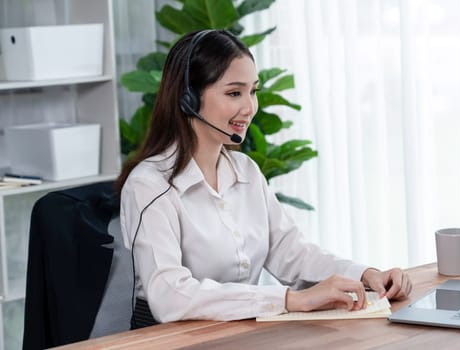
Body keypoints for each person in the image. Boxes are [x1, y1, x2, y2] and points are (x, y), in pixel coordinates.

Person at [115, 29, 412, 327]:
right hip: (169, 340)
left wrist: (364, 275)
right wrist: (288, 300)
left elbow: (292, 253)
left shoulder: (245, 171)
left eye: (253, 91)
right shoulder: (150, 185)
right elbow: (170, 296)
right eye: (234, 93)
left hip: (237, 333)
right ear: (188, 98)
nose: (249, 108)